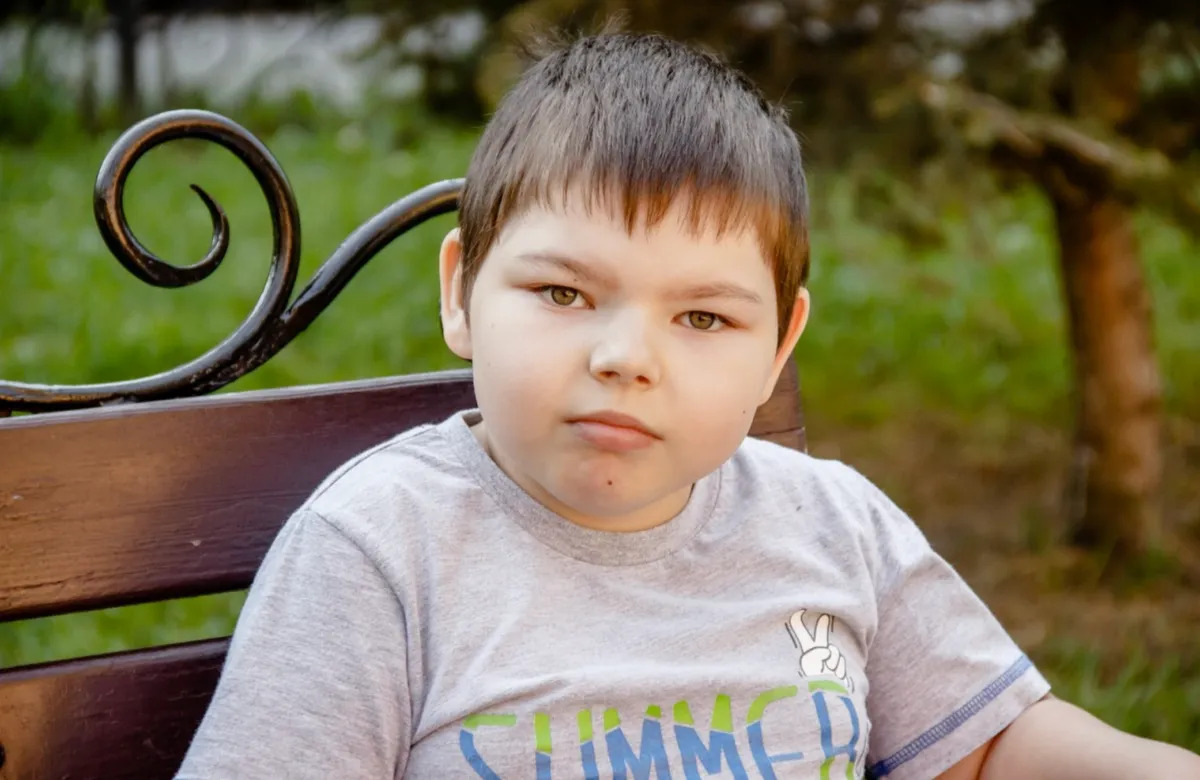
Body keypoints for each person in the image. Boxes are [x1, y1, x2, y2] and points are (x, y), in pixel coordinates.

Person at [175, 32, 1200, 780]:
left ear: (779, 349)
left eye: (704, 319)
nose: (627, 358)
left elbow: (992, 750)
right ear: (460, 292)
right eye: (563, 294)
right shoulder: (384, 547)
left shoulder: (831, 523)